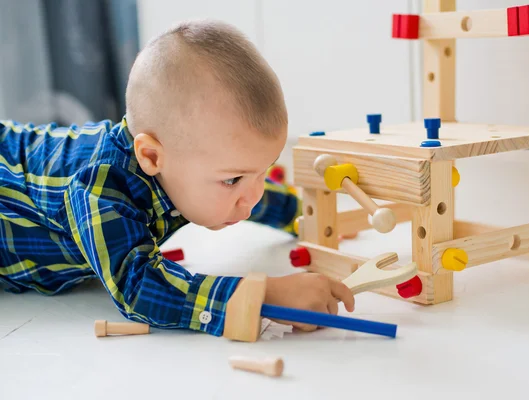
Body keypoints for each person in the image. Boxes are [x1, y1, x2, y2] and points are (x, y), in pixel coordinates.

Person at [0, 19, 355, 336]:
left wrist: (303, 217)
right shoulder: (100, 187)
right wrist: (265, 294)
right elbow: (139, 289)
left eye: (262, 172)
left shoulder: (184, 165)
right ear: (152, 157)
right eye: (232, 181)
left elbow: (249, 189)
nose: (252, 197)